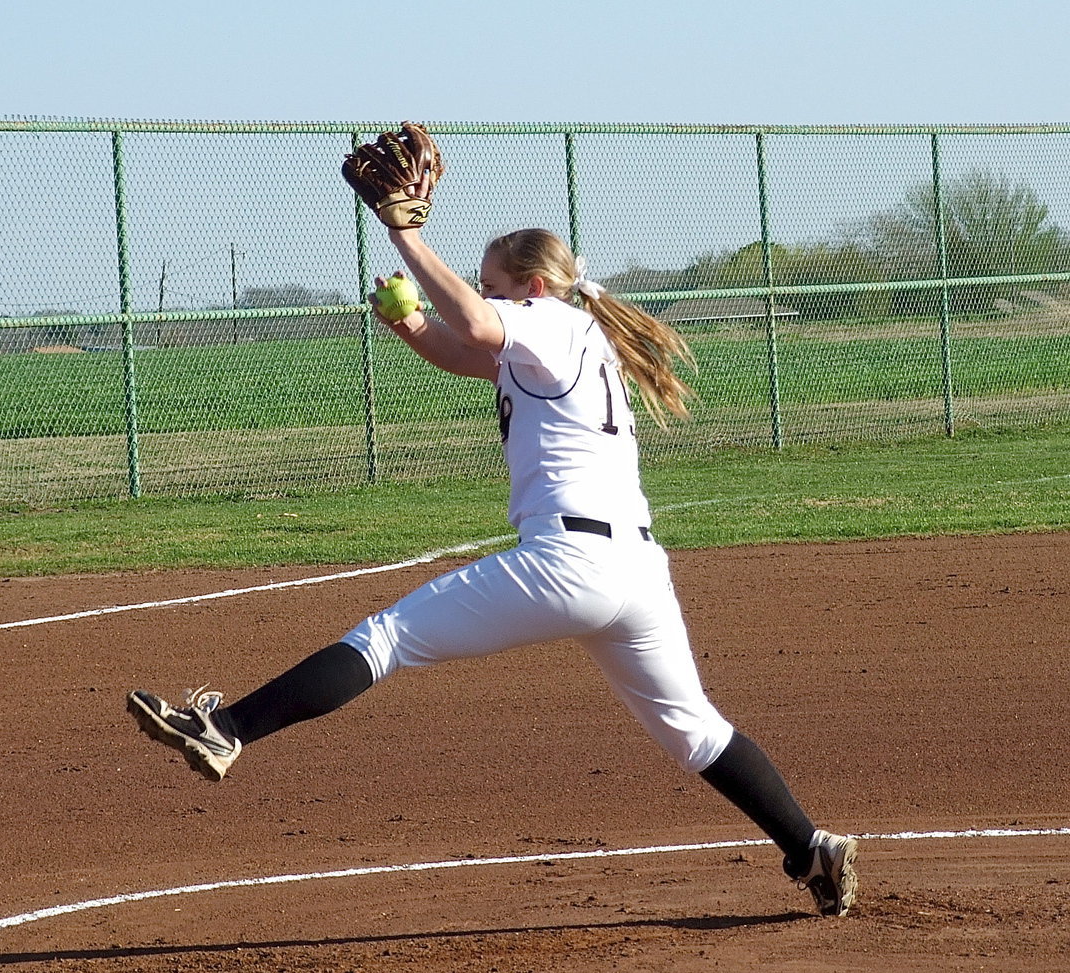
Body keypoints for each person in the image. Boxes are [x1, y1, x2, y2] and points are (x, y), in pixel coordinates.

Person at [127, 224, 858, 917]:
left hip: (569, 561)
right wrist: (409, 322)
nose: (488, 297)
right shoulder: (568, 336)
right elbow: (466, 348)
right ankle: (810, 847)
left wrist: (406, 237)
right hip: (636, 570)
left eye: (496, 286)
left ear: (535, 287)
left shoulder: (553, 320)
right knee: (693, 730)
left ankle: (227, 729)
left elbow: (479, 326)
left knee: (386, 639)